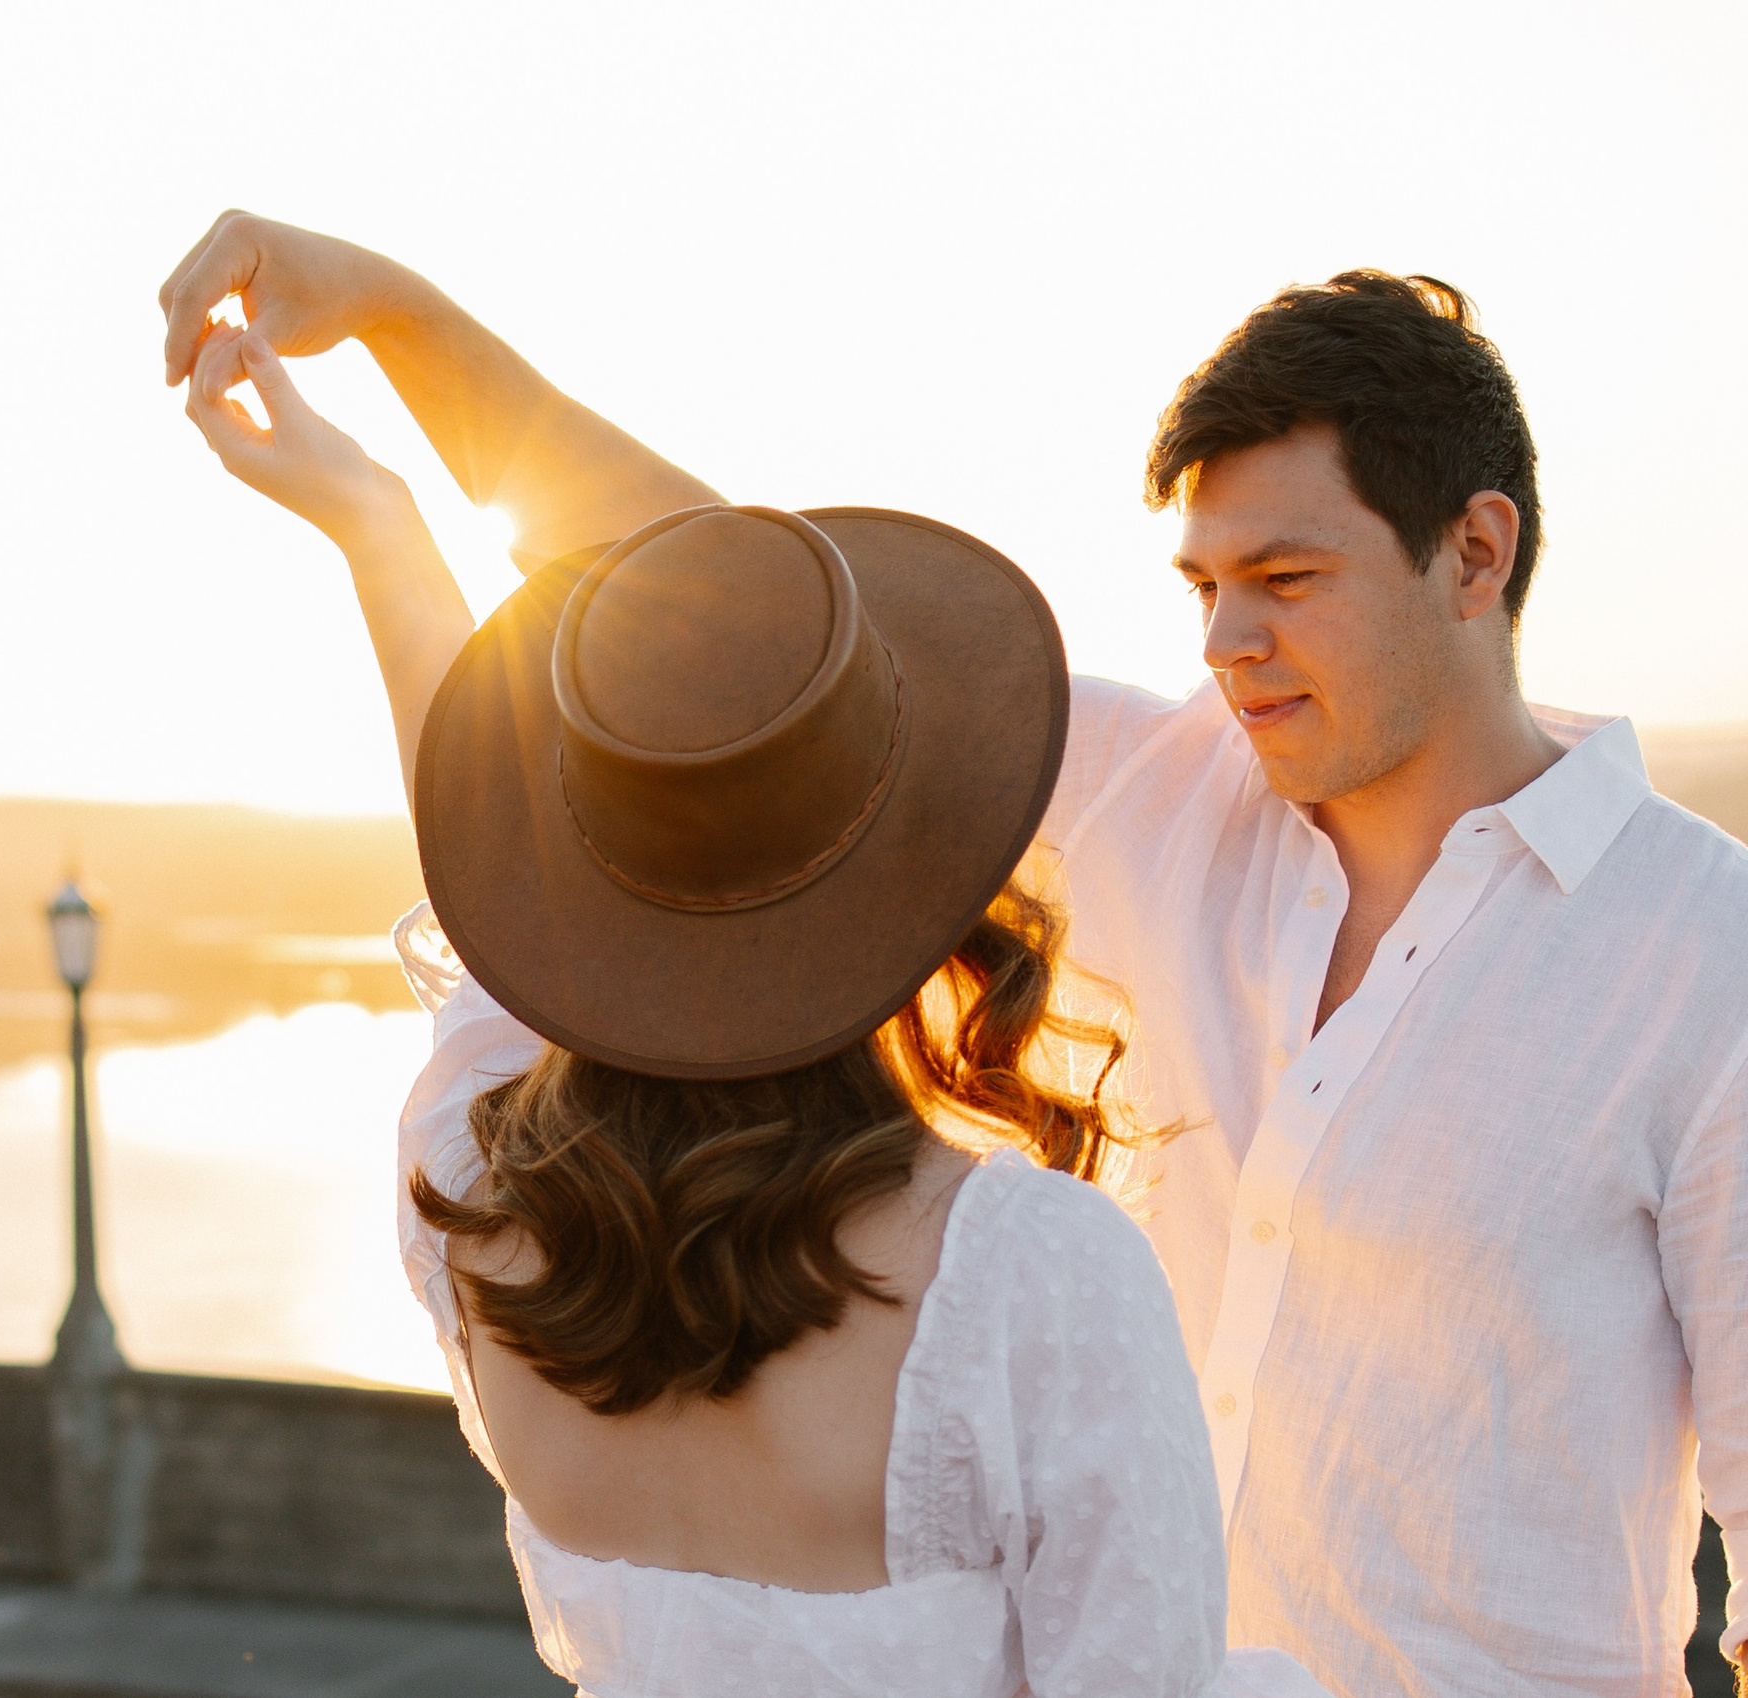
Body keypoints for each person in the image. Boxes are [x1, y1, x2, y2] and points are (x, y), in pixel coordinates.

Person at [159, 215, 1748, 1698]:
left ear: (1477, 554)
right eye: (1202, 587)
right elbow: (725, 611)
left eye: (1286, 580)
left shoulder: (1706, 955)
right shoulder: (1160, 788)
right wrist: (400, 317)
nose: (1222, 645)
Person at [179, 319, 1327, 1697]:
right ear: (917, 870)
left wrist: (375, 526)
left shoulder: (477, 1198)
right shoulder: (1034, 1278)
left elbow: (482, 903)